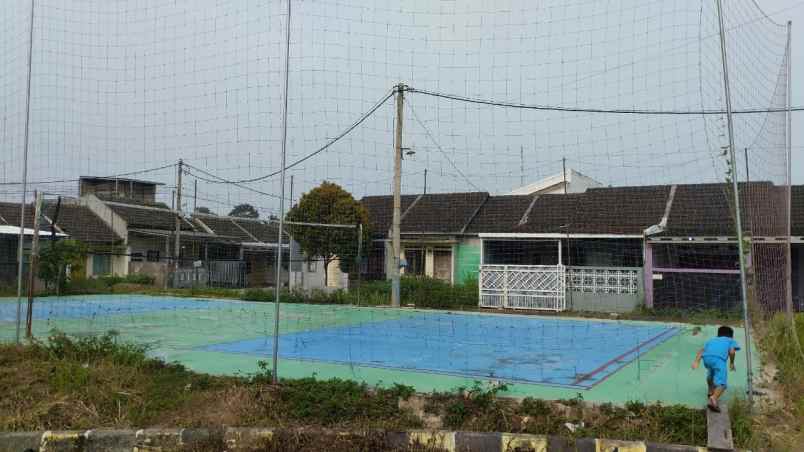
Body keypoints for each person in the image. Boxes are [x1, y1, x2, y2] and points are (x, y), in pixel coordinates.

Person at [692, 326, 740, 412]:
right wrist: (732, 363)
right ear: (731, 336)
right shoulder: (730, 340)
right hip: (719, 360)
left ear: (718, 335)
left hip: (706, 359)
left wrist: (696, 361)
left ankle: (710, 391)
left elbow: (701, 350)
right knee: (722, 384)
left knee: (711, 373)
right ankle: (713, 398)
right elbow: (732, 352)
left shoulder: (711, 340)